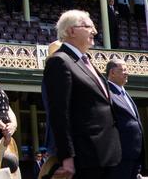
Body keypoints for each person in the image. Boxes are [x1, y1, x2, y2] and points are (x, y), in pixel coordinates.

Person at [43, 10, 121, 178]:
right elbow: (59, 114)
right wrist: (67, 158)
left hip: (107, 156)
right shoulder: (60, 61)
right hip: (85, 159)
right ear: (71, 31)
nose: (95, 31)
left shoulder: (86, 61)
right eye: (88, 26)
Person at [106, 59, 143, 179]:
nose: (127, 73)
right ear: (112, 72)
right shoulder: (107, 92)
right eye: (123, 70)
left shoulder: (124, 93)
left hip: (134, 156)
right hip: (120, 157)